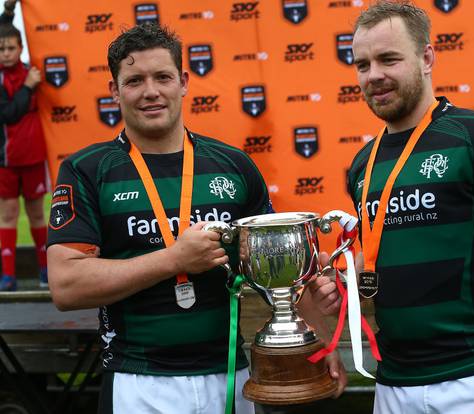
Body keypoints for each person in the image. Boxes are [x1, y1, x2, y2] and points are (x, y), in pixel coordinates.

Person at [46, 23, 345, 413]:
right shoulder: (88, 170)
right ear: (114, 90)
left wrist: (322, 343)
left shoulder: (233, 165)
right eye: (134, 80)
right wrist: (174, 260)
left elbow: (283, 271)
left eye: (163, 77)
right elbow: (66, 285)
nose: (151, 91)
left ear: (184, 82)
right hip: (138, 382)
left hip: (231, 378)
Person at [311, 2, 474, 413]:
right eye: (362, 64)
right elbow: (382, 253)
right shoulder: (363, 164)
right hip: (392, 384)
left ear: (427, 57)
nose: (373, 75)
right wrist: (337, 287)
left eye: (388, 59)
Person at [0, 0, 48, 291]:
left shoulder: (33, 70)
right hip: (5, 160)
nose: (5, 54)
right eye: (0, 49)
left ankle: (45, 272)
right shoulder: (21, 78)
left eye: (10, 48)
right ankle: (8, 276)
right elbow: (8, 113)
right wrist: (29, 86)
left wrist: (8, 12)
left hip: (33, 157)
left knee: (37, 213)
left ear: (20, 48)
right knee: (8, 215)